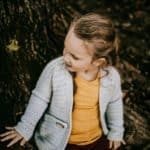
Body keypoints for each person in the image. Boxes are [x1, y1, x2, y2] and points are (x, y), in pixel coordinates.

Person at [0, 13, 125, 150]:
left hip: (96, 139)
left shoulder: (110, 77)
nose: (66, 57)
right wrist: (25, 127)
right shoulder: (55, 70)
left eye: (74, 56)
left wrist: (116, 131)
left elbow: (115, 103)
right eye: (66, 48)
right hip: (62, 142)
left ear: (97, 62)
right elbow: (40, 99)